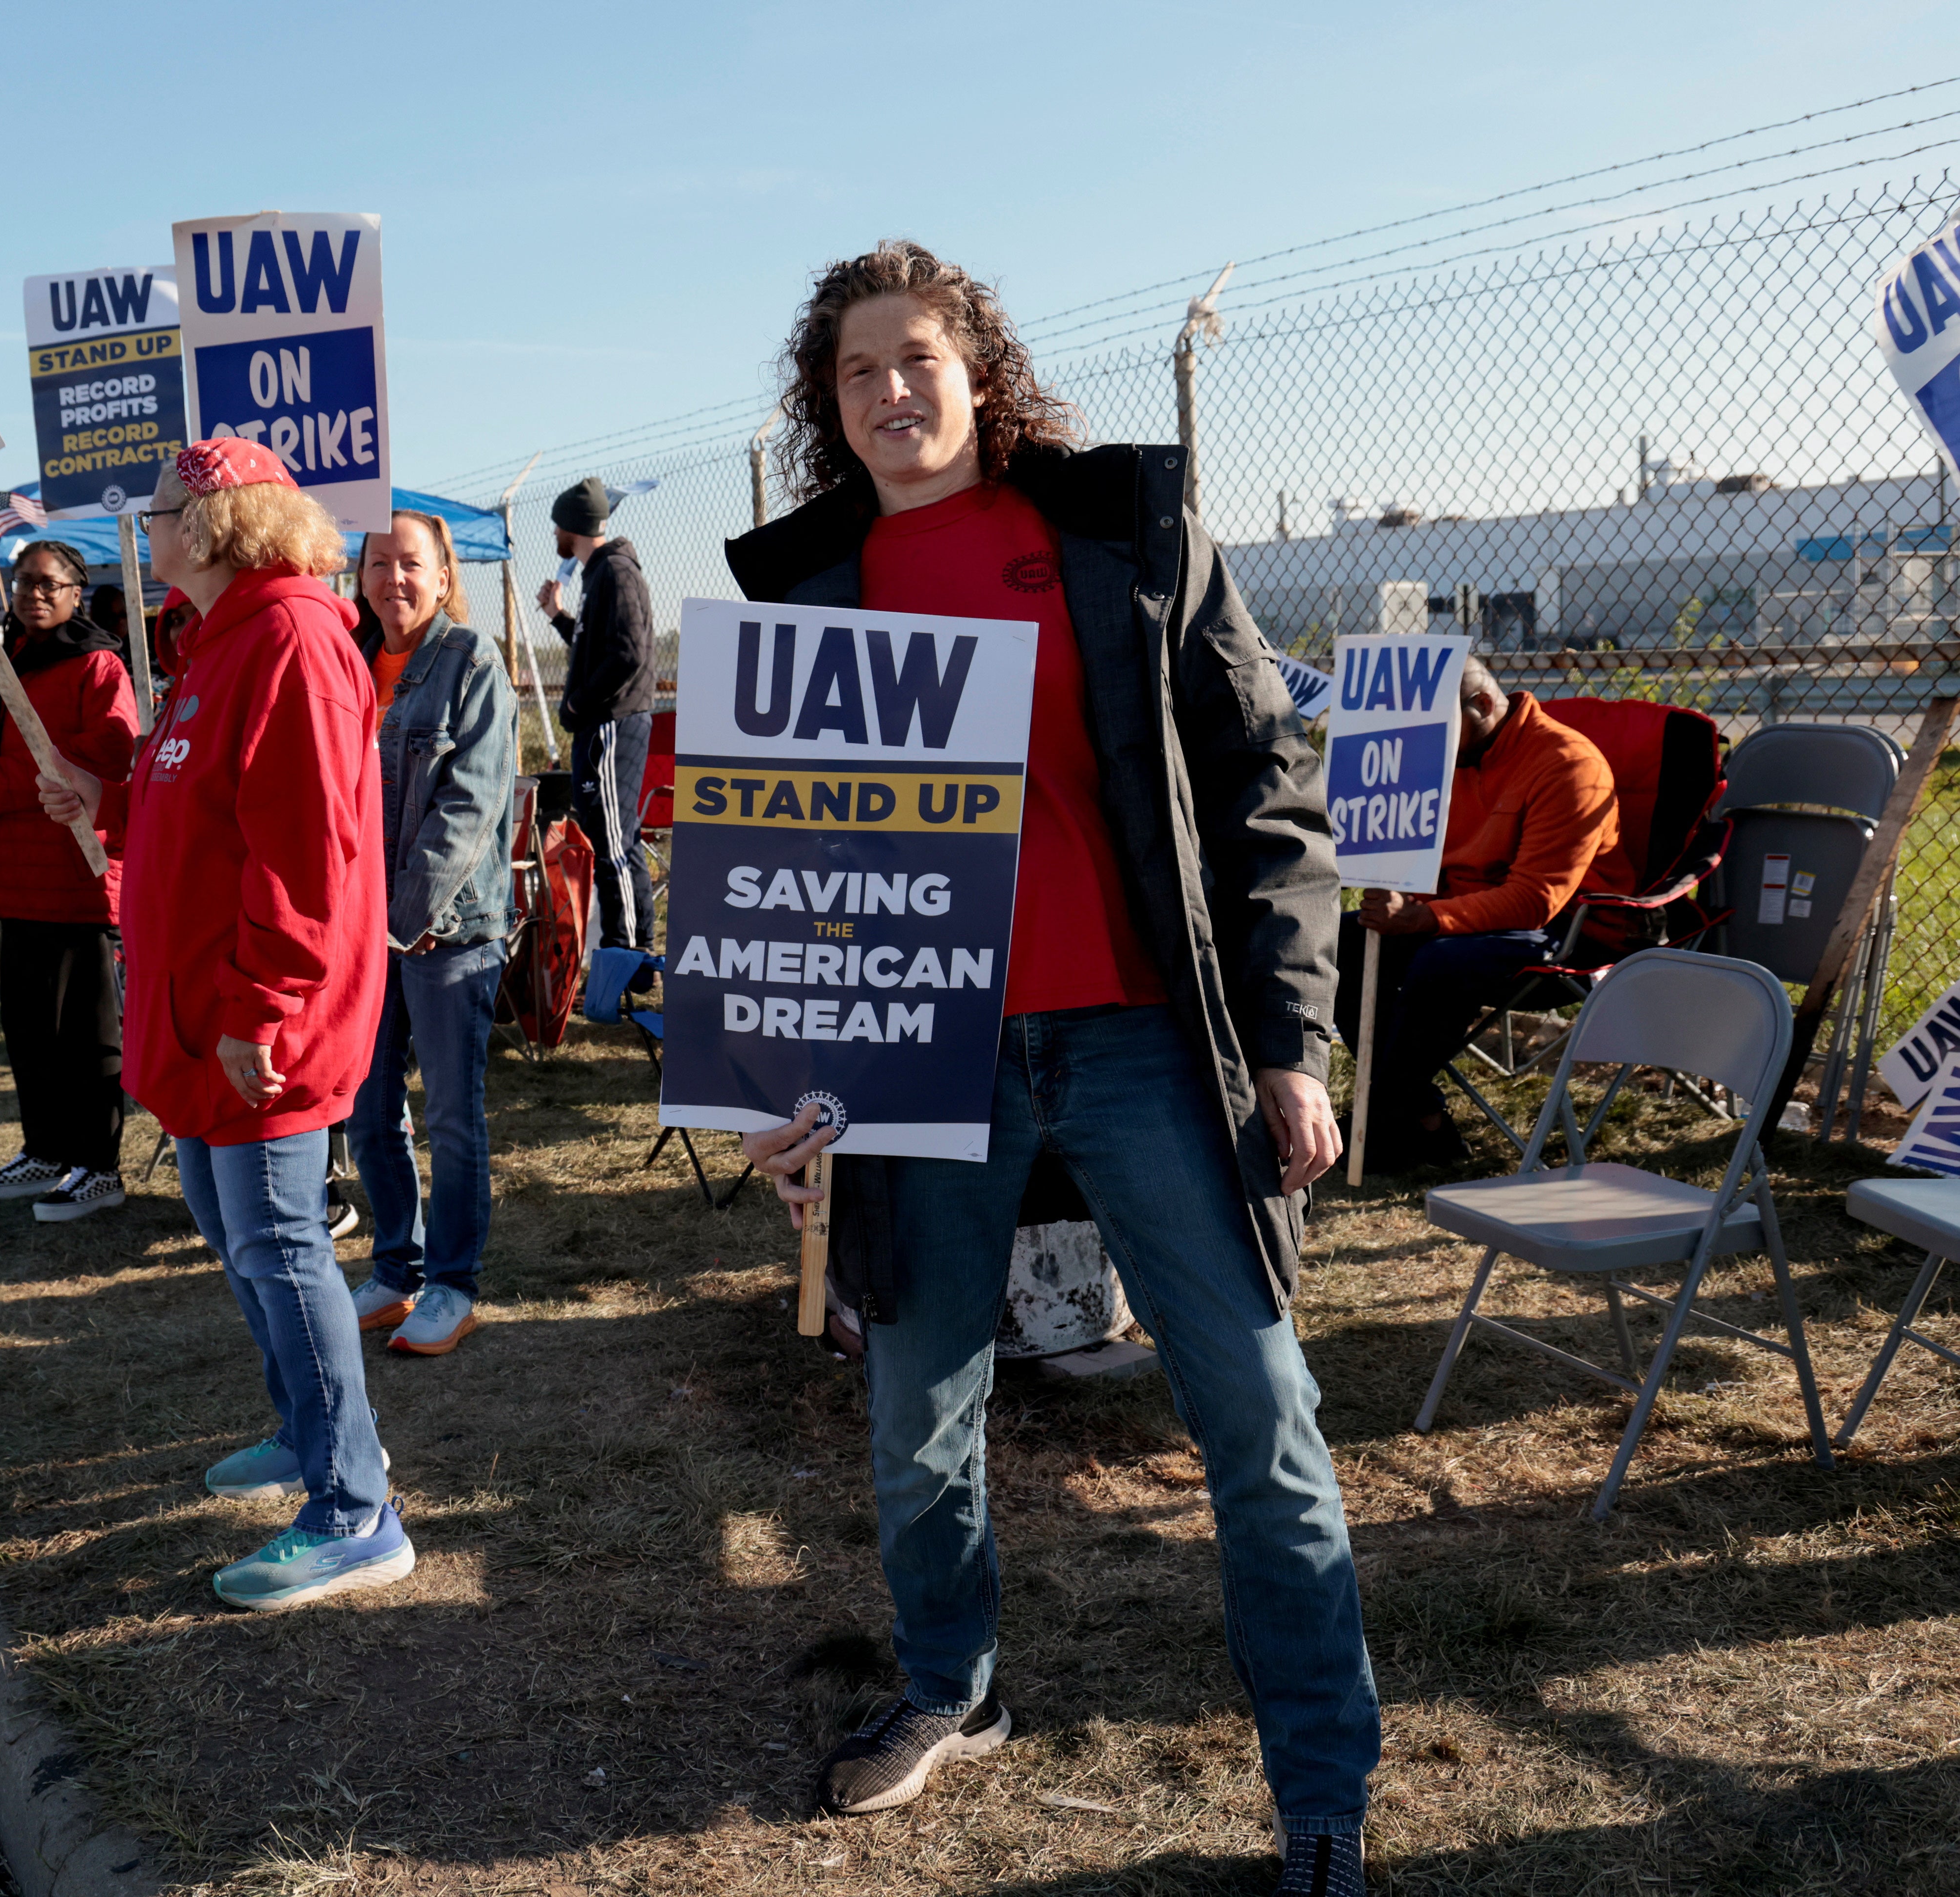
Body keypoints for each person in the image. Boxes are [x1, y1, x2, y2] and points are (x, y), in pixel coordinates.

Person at [727, 242, 1376, 1897]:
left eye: (917, 356)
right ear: (830, 402)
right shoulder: (807, 592)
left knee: (1260, 1410)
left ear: (979, 368)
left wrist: (1293, 1041)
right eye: (856, 370)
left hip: (1145, 1042)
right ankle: (956, 1684)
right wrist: (771, 1081)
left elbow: (1263, 793)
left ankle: (1322, 1784)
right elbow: (784, 871)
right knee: (919, 1410)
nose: (890, 391)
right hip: (915, 1064)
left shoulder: (1118, 537)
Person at [39, 438, 409, 1611]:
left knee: (280, 1244)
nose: (139, 532)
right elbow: (190, 824)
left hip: (258, 1015)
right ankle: (309, 1435)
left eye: (156, 513)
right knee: (234, 1230)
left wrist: (262, 1003)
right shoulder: (215, 646)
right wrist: (102, 804)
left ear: (212, 523)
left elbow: (305, 850)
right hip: (200, 1010)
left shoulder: (291, 638)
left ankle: (356, 1509)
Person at [341, 511, 520, 1357]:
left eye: (411, 564)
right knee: (367, 1112)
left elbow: (470, 810)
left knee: (452, 1119)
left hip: (446, 932)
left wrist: (392, 918)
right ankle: (395, 1270)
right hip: (357, 933)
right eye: (380, 564)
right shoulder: (345, 662)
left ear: (444, 575)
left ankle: (452, 1285)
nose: (394, 580)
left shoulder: (470, 662)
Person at [1333, 657, 1625, 1168]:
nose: (1419, 741)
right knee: (1337, 942)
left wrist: (1425, 918)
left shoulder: (1568, 764)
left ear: (1483, 706)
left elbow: (1534, 901)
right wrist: (1402, 898)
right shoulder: (1445, 757)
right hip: (1463, 918)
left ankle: (1382, 1115)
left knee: (1441, 961)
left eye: (1432, 727)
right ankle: (1418, 1118)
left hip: (1571, 930)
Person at [0, 538, 137, 1223]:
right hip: (13, 876)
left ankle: (98, 1165)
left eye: (51, 584)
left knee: (86, 1029)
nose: (36, 594)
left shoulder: (98, 663)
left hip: (72, 874)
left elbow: (107, 755)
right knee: (27, 1027)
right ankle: (46, 1149)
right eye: (24, 583)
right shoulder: (4, 663)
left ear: (78, 591)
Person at [537, 477, 656, 955]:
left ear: (574, 526)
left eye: (557, 527)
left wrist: (576, 704)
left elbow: (628, 654)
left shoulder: (617, 573)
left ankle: (623, 953)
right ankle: (631, 950)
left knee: (612, 849)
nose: (554, 536)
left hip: (610, 725)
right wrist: (557, 616)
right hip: (601, 725)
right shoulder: (599, 575)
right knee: (615, 843)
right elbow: (597, 651)